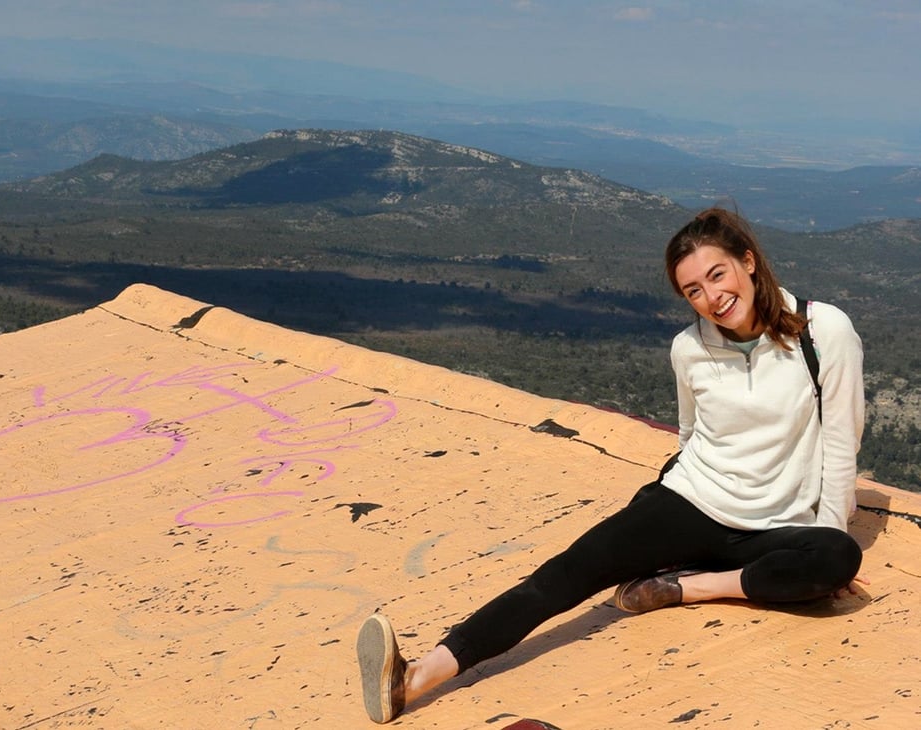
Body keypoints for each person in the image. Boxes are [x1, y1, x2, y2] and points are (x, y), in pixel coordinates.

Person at [356, 206, 867, 724]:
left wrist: (829, 531)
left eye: (717, 275)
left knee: (836, 555)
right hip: (691, 502)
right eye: (693, 290)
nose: (712, 297)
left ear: (749, 262)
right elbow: (691, 436)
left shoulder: (822, 331)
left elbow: (842, 443)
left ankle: (686, 587)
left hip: (774, 524)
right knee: (564, 575)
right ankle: (414, 676)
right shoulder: (689, 349)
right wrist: (651, 511)